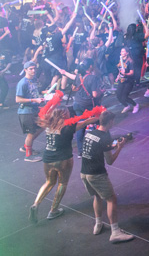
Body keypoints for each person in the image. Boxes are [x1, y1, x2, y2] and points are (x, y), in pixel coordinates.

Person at [30, 106, 97, 223]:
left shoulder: (49, 125)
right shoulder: (68, 127)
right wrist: (99, 115)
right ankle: (53, 210)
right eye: (67, 113)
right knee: (62, 183)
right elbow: (86, 122)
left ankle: (36, 204)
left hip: (48, 158)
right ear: (64, 115)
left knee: (49, 182)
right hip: (63, 159)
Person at [79, 110, 135, 243]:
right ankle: (115, 232)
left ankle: (98, 223)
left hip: (84, 173)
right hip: (96, 174)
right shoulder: (105, 137)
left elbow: (97, 148)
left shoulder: (90, 134)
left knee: (97, 196)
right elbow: (110, 161)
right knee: (111, 199)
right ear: (110, 122)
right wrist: (120, 147)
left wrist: (111, 145)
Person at [17, 61, 44, 161]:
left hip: (34, 110)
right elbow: (18, 99)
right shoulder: (22, 83)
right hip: (25, 112)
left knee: (42, 126)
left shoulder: (34, 80)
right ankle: (28, 156)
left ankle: (26, 147)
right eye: (31, 69)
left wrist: (42, 94)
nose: (33, 71)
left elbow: (33, 92)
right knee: (31, 133)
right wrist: (34, 100)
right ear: (25, 70)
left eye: (34, 68)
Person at [115, 47, 138, 114]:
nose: (121, 52)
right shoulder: (120, 60)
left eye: (123, 51)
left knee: (124, 96)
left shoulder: (130, 62)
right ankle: (126, 106)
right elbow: (120, 70)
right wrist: (118, 76)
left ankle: (135, 105)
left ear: (127, 53)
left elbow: (131, 73)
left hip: (129, 81)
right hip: (122, 80)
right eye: (121, 51)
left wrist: (125, 74)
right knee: (118, 95)